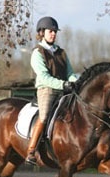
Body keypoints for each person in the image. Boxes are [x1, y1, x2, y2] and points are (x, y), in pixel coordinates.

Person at [25, 16, 78, 165]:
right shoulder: (37, 53)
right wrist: (64, 85)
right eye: (50, 31)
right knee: (44, 116)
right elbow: (45, 77)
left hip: (63, 90)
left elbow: (70, 73)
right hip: (47, 90)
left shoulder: (61, 52)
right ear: (42, 32)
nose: (53, 34)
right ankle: (31, 150)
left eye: (55, 31)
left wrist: (76, 82)